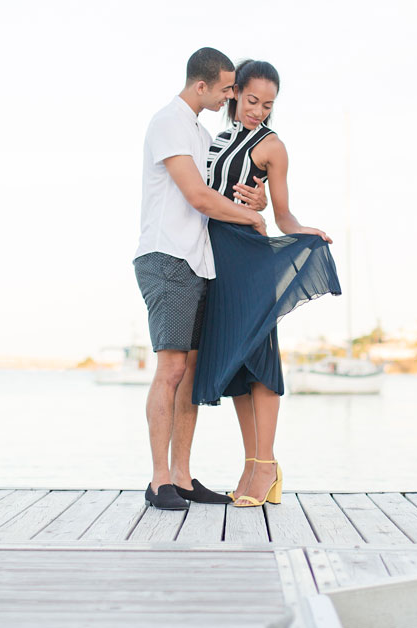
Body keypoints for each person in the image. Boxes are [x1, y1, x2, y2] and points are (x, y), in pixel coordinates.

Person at [192, 60, 341, 508]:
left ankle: (267, 466)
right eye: (252, 100)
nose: (259, 110)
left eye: (268, 104)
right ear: (234, 92)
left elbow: (282, 215)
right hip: (215, 256)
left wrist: (304, 230)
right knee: (238, 367)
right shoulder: (215, 140)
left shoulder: (273, 146)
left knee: (259, 360)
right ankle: (252, 466)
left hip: (248, 256)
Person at [133, 47, 269, 511]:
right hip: (165, 257)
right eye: (228, 89)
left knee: (190, 376)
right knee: (170, 370)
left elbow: (220, 192)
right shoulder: (168, 122)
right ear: (202, 86)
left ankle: (183, 478)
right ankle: (158, 481)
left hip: (198, 261)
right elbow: (197, 196)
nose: (231, 96)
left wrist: (257, 203)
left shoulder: (201, 131)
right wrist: (250, 222)